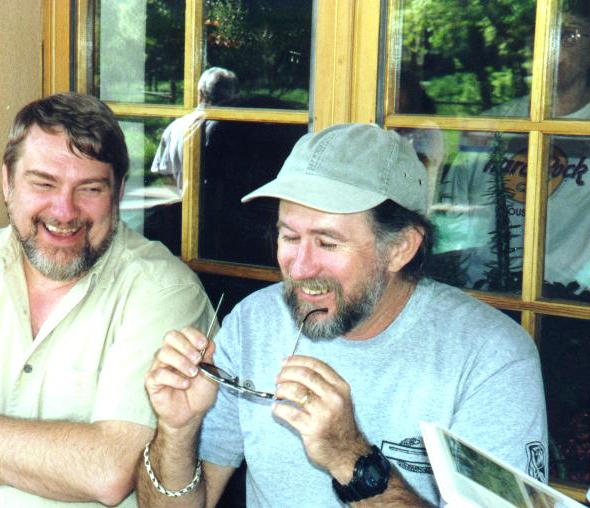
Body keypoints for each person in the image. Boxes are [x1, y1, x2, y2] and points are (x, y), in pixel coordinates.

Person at [138, 123, 547, 507]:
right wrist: (177, 430)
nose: (300, 268)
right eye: (289, 236)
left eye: (327, 243)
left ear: (400, 248)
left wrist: (350, 458)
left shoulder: (491, 356)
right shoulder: (253, 323)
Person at [0, 93, 215, 508]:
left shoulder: (163, 290)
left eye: (89, 188)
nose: (64, 210)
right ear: (7, 182)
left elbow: (109, 473)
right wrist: (61, 465)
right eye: (43, 183)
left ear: (118, 192)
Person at [434, 1, 590, 297]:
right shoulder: (490, 125)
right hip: (480, 293)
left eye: (569, 34)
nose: (551, 46)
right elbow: (452, 217)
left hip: (567, 302)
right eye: (541, 32)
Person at [150, 66, 238, 193]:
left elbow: (163, 172)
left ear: (200, 93)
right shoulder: (234, 128)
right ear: (233, 96)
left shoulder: (175, 127)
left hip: (184, 202)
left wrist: (184, 194)